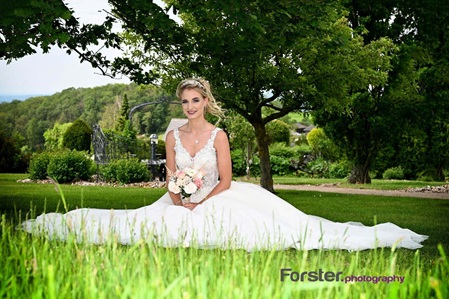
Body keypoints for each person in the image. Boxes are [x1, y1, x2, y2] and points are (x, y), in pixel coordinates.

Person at [18, 78, 428, 251]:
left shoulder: (219, 135)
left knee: (279, 230)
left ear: (206, 102)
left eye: (196, 100)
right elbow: (169, 178)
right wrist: (179, 198)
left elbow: (228, 180)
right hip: (180, 200)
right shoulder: (173, 135)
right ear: (180, 104)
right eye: (185, 101)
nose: (190, 106)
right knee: (144, 223)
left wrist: (200, 200)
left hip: (219, 195)